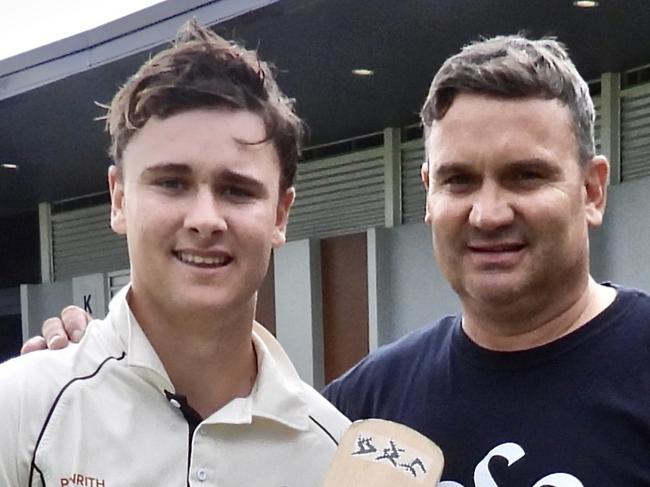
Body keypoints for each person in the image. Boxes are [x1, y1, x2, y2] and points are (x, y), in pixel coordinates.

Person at [22, 35, 650, 485]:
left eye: (525, 176)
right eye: (459, 180)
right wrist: (93, 372)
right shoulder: (358, 412)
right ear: (427, 194)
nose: (487, 212)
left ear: (592, 190)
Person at [1, 20, 348, 486]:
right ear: (119, 198)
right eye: (172, 183)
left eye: (237, 190)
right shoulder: (21, 411)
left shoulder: (333, 457)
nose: (205, 219)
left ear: (280, 215)